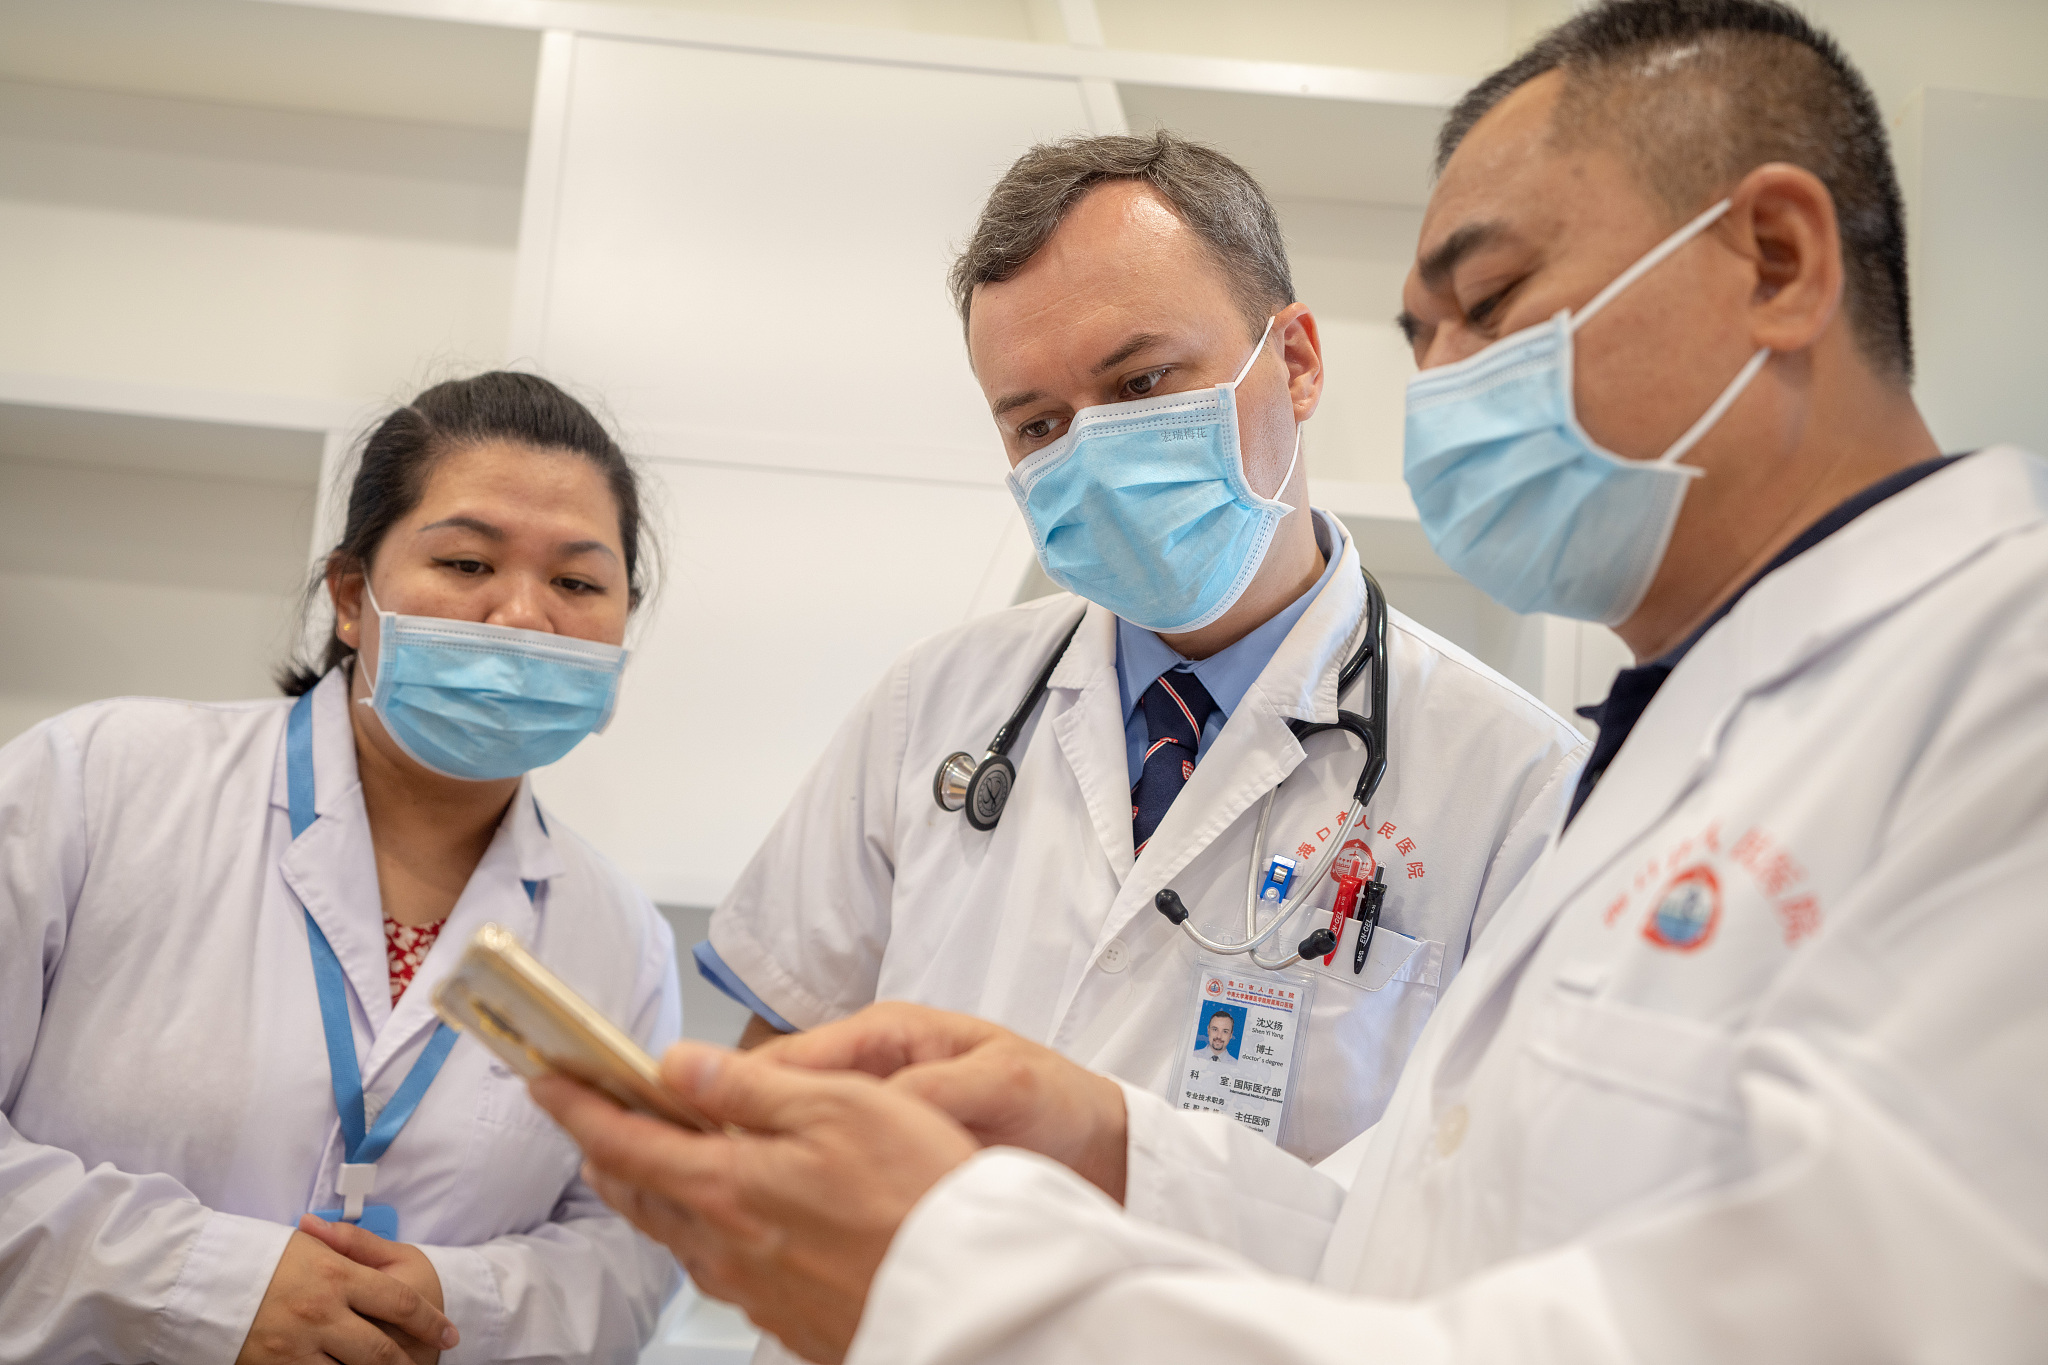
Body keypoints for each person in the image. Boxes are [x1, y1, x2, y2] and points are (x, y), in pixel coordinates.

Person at [536, 2, 2048, 1361]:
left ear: (1776, 260)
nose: (1451, 383)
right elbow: (1419, 1250)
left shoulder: (1981, 684)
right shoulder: (1681, 738)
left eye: (1493, 302)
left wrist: (966, 1282)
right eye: (1034, 422)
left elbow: (1828, 1310)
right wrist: (1100, 1131)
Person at [696, 131, 1589, 1170]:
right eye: (1035, 426)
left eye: (1140, 385)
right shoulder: (931, 708)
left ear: (1293, 363)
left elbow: (1474, 1197)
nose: (1090, 452)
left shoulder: (1516, 786)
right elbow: (780, 1059)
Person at [0, 373, 682, 1365]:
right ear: (353, 598)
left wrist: (450, 1302)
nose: (523, 617)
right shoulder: (99, 781)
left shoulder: (620, 940)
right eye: (465, 562)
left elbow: (626, 1255)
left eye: (578, 583)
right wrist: (209, 1287)